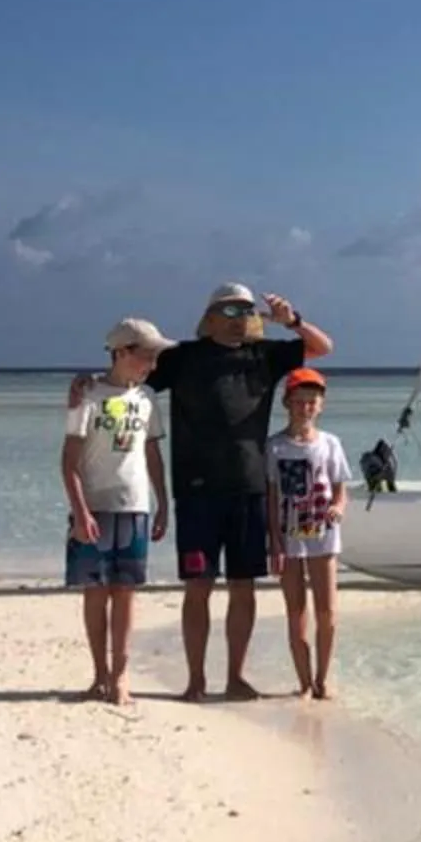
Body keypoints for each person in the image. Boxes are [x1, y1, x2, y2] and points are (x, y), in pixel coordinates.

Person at [147, 283, 333, 699]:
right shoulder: (183, 357)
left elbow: (323, 347)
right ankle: (196, 678)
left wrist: (293, 321)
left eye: (245, 310)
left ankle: (235, 676)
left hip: (249, 488)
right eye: (229, 310)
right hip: (196, 491)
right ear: (210, 315)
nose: (237, 318)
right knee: (198, 586)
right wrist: (89, 383)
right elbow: (134, 374)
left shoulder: (263, 356)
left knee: (244, 585)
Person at [60, 317, 170, 705]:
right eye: (147, 356)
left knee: (126, 593)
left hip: (135, 506)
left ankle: (120, 677)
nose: (152, 365)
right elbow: (68, 460)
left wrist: (163, 504)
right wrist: (81, 511)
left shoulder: (147, 398)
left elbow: (153, 453)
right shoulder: (86, 395)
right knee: (96, 592)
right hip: (96, 506)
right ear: (122, 352)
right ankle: (99, 676)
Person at [267, 367, 350, 697]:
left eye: (312, 401)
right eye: (299, 401)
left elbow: (341, 487)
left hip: (323, 536)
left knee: (327, 610)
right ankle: (303, 681)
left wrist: (340, 507)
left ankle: (323, 679)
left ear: (321, 405)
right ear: (287, 403)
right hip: (289, 537)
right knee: (296, 610)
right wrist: (274, 541)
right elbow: (272, 497)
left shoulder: (330, 443)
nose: (306, 407)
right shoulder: (274, 446)